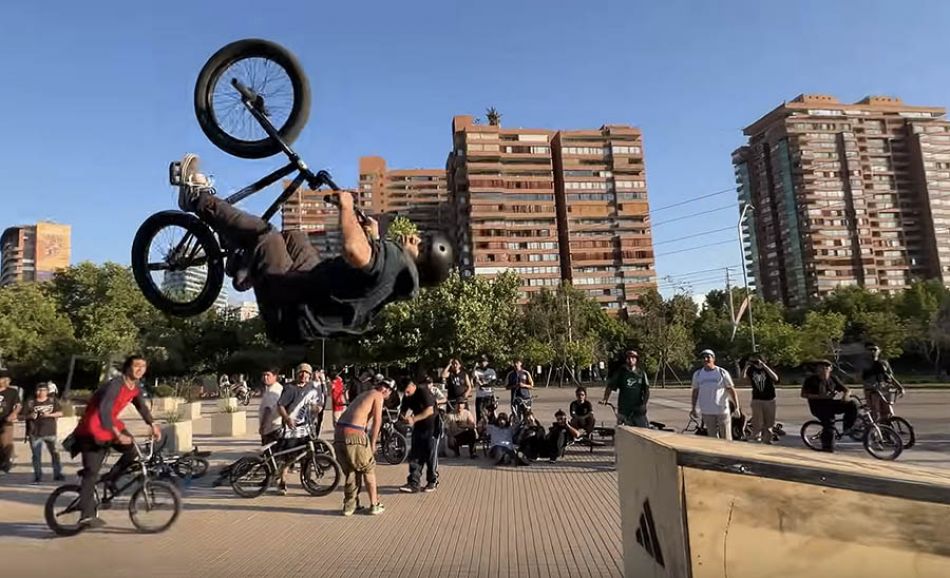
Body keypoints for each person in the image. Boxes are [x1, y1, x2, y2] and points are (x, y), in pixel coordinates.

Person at [173, 154, 453, 344]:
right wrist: (373, 235)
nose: (416, 238)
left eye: (423, 245)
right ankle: (247, 265)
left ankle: (196, 200)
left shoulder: (397, 261)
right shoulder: (396, 277)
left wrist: (345, 206)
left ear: (423, 264)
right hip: (305, 297)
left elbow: (354, 251)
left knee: (266, 236)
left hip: (290, 308)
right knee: (295, 238)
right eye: (422, 236)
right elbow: (366, 271)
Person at [73, 355, 162, 528]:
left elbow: (141, 406)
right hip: (92, 430)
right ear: (127, 367)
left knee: (133, 450)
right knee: (91, 473)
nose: (140, 369)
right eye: (136, 366)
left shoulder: (134, 386)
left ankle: (111, 478)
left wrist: (153, 424)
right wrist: (117, 434)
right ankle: (86, 514)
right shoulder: (115, 385)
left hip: (111, 425)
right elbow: (104, 410)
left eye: (143, 366)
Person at [333, 378, 391, 516]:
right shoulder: (377, 395)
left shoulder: (364, 394)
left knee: (351, 471)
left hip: (339, 433)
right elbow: (377, 422)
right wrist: (372, 444)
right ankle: (374, 504)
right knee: (368, 468)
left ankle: (350, 506)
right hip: (354, 433)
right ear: (386, 390)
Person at [275, 363, 322, 494]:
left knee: (307, 456)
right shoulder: (290, 388)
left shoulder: (311, 388)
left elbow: (316, 404)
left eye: (306, 373)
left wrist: (316, 409)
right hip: (292, 430)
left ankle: (307, 480)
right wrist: (287, 418)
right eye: (301, 373)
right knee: (288, 457)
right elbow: (280, 406)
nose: (304, 375)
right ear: (297, 374)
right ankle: (282, 482)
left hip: (306, 429)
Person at [802, 360, 859, 452]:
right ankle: (827, 447)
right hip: (818, 407)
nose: (823, 369)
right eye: (820, 367)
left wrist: (845, 396)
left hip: (830, 404)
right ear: (817, 369)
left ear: (830, 369)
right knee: (829, 424)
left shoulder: (833, 378)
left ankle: (848, 428)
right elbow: (804, 394)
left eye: (826, 367)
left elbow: (846, 389)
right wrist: (820, 396)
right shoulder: (811, 380)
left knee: (852, 404)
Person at [397, 377, 440, 493]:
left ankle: (432, 481)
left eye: (407, 391)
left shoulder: (423, 391)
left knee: (430, 454)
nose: (406, 394)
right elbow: (402, 411)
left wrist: (413, 418)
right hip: (419, 427)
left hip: (433, 426)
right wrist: (402, 418)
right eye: (403, 392)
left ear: (413, 385)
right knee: (415, 454)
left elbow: (429, 410)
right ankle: (413, 482)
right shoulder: (406, 397)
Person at [690, 349, 741, 440]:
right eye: (703, 358)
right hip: (707, 411)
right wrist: (693, 408)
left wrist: (736, 407)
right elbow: (695, 392)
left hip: (722, 410)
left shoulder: (721, 372)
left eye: (708, 357)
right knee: (712, 438)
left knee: (726, 437)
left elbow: (731, 390)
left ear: (713, 359)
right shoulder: (698, 374)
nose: (706, 359)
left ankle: (727, 453)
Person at [25, 382, 65, 483]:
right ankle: (38, 475)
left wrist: (49, 415)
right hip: (35, 433)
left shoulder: (52, 401)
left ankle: (58, 474)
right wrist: (30, 416)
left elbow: (61, 413)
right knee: (36, 456)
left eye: (42, 390)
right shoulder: (30, 402)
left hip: (50, 431)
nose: (40, 392)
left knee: (55, 453)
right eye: (38, 390)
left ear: (47, 391)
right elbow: (22, 416)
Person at [602, 350, 650, 427]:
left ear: (636, 359)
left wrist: (644, 404)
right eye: (629, 358)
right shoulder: (621, 373)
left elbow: (646, 391)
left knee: (643, 430)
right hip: (624, 409)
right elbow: (610, 386)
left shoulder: (641, 373)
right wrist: (605, 398)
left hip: (637, 410)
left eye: (633, 358)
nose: (631, 360)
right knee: (623, 432)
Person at [860, 343, 904, 421]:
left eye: (875, 349)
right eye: (870, 350)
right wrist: (871, 386)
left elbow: (890, 377)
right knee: (875, 414)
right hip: (872, 391)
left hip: (885, 389)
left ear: (879, 351)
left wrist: (899, 387)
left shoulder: (884, 363)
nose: (872, 351)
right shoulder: (865, 364)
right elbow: (862, 379)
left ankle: (887, 430)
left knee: (887, 413)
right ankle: (873, 431)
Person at [744, 353, 779, 444]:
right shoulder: (751, 370)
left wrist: (764, 366)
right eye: (753, 360)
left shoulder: (768, 368)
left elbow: (775, 378)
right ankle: (756, 439)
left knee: (769, 423)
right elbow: (742, 380)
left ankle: (767, 440)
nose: (755, 362)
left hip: (770, 399)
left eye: (756, 360)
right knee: (757, 422)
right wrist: (746, 367)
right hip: (757, 399)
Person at [0, 370, 21, 474]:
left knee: (5, 443)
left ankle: (6, 463)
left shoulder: (12, 392)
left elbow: (18, 405)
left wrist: (13, 414)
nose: (6, 381)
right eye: (3, 379)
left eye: (7, 379)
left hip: (6, 421)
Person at [258, 367, 284, 445]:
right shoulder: (277, 387)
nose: (265, 377)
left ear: (275, 376)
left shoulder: (273, 390)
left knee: (269, 454)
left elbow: (268, 410)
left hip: (271, 429)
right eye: (264, 375)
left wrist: (262, 426)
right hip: (274, 427)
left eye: (268, 375)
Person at [473, 355, 497, 420]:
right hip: (480, 396)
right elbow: (473, 380)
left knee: (490, 415)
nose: (482, 363)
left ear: (487, 362)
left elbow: (494, 382)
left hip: (489, 395)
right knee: (480, 416)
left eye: (484, 361)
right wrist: (474, 368)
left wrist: (485, 384)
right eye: (481, 362)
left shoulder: (491, 371)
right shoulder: (476, 371)